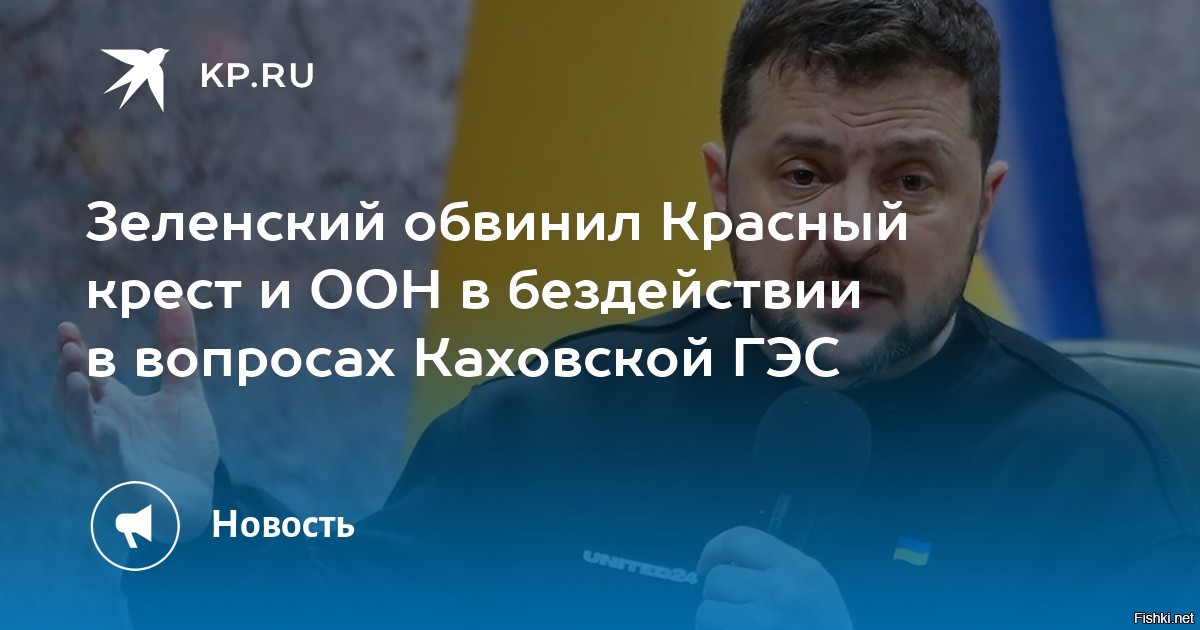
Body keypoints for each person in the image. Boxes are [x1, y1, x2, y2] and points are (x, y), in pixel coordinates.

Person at [55, 0, 1200, 627]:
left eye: (908, 181)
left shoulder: (1089, 476)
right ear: (722, 187)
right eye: (803, 174)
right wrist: (190, 522)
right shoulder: (561, 419)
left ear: (984, 203)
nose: (851, 231)